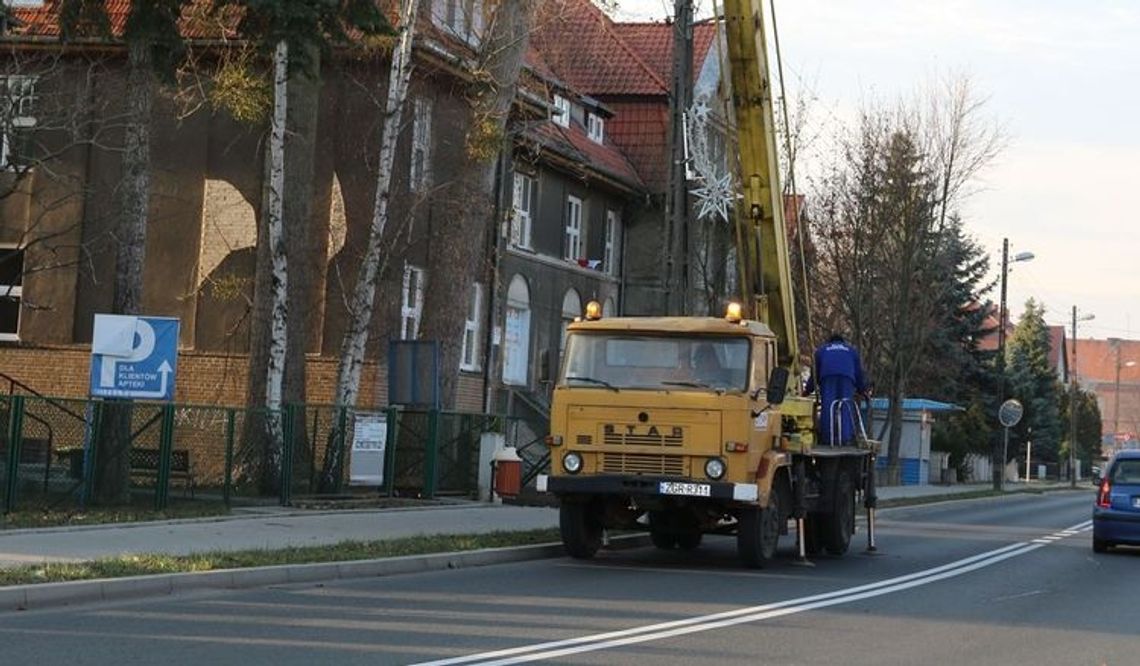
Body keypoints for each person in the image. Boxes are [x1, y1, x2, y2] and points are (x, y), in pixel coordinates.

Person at [805, 333, 869, 446]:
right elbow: (859, 373)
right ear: (842, 342)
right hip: (847, 377)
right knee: (845, 406)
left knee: (828, 406)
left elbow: (814, 374)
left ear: (830, 342)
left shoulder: (821, 350)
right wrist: (862, 389)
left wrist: (807, 391)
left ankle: (827, 438)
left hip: (827, 377)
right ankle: (845, 438)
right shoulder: (851, 351)